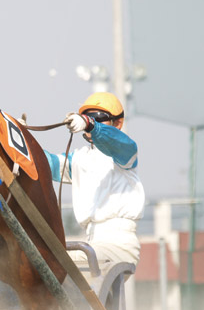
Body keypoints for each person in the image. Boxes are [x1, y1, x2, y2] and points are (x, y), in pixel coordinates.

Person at [44, 92, 145, 267]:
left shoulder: (124, 152)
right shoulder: (78, 158)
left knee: (55, 264)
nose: (92, 121)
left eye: (99, 117)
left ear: (118, 123)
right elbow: (42, 163)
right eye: (88, 117)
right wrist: (20, 142)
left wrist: (91, 125)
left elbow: (116, 142)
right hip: (91, 243)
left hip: (119, 245)